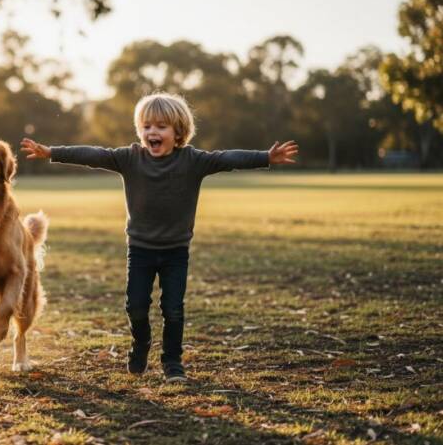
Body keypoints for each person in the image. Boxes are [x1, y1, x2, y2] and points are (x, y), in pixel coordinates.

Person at [20, 92, 298, 381]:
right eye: (147, 126)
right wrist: (52, 152)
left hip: (176, 251)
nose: (152, 132)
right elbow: (94, 154)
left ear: (178, 132)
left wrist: (266, 157)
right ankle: (141, 345)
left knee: (173, 309)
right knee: (136, 306)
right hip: (140, 250)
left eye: (161, 126)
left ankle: (172, 362)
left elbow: (228, 158)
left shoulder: (193, 160)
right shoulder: (129, 158)